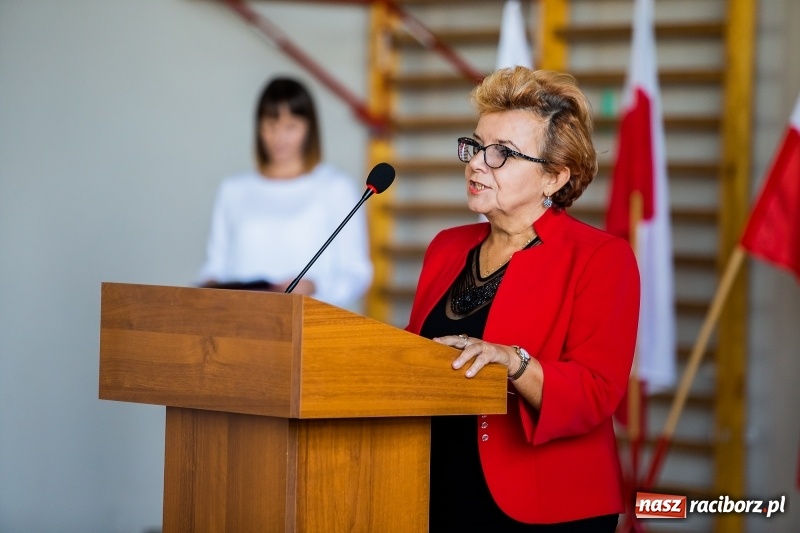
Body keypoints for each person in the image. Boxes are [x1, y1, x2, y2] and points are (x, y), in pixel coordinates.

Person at [406, 67, 640, 531]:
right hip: (433, 487)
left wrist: (513, 361)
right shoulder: (446, 247)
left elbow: (596, 393)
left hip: (545, 501)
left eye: (502, 154)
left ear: (554, 177)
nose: (476, 163)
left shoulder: (601, 258)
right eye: (475, 146)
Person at [197, 77, 372, 308]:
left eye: (291, 127)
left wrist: (314, 286)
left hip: (310, 325)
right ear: (258, 127)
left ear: (310, 128)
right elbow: (215, 266)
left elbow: (358, 273)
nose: (279, 138)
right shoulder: (233, 189)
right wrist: (209, 287)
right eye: (270, 125)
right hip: (242, 323)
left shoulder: (335, 186)